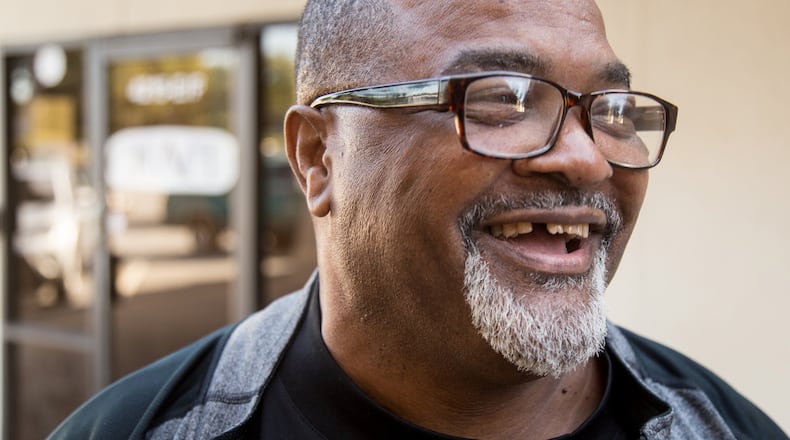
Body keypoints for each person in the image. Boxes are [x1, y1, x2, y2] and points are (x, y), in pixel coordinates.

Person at [50, 0, 788, 439]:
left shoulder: (726, 428)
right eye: (500, 98)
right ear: (318, 158)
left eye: (613, 109)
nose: (587, 159)